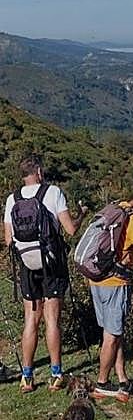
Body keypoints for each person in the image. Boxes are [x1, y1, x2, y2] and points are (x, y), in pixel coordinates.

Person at [3, 154, 88, 392]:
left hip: (27, 265)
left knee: (31, 319)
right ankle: (56, 374)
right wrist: (81, 214)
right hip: (51, 264)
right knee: (52, 319)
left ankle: (27, 377)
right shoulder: (53, 193)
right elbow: (70, 230)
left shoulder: (12, 199)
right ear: (39, 171)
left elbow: (8, 239)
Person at [89, 186, 133, 403]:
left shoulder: (116, 207)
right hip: (115, 282)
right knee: (112, 335)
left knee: (113, 331)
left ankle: (122, 380)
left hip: (96, 277)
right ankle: (102, 384)